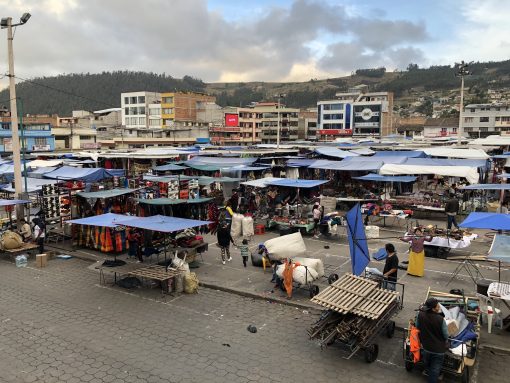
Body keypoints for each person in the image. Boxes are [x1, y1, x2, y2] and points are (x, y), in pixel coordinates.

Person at [416, 298, 448, 383]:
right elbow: (446, 335)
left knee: (428, 364)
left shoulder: (420, 315)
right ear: (433, 308)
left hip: (426, 347)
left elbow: (417, 326)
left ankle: (428, 371)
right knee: (434, 370)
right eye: (437, 306)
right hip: (438, 350)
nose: (439, 307)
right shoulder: (441, 319)